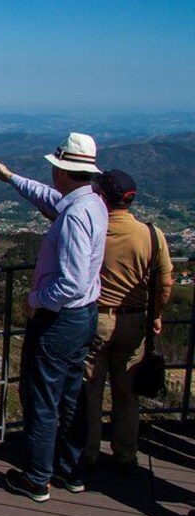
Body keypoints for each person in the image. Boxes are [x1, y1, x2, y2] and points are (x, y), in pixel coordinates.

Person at [0, 132, 108, 502]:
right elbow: (48, 198)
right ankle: (70, 470)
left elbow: (71, 282)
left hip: (60, 319)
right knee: (72, 396)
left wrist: (36, 299)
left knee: (42, 398)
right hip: (85, 316)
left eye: (55, 168)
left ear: (64, 171)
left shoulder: (74, 218)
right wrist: (11, 179)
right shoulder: (94, 204)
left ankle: (37, 477)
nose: (53, 174)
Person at [84, 170, 174, 473]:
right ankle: (125, 454)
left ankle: (88, 452)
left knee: (91, 390)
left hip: (97, 318)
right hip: (134, 321)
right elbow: (165, 283)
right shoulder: (151, 234)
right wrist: (156, 314)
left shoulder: (95, 229)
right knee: (127, 393)